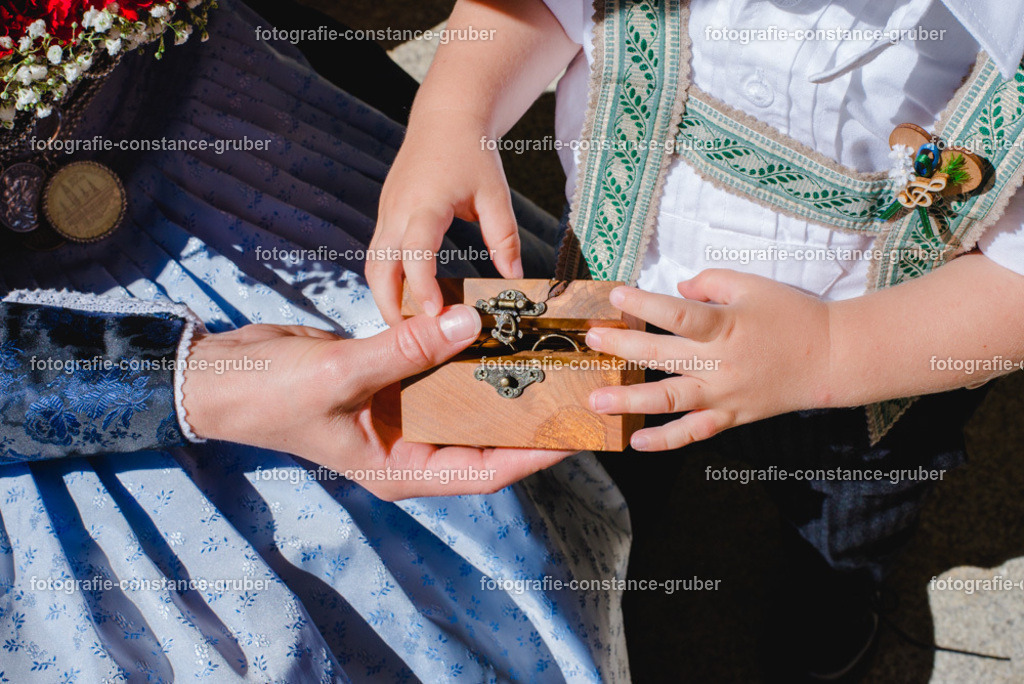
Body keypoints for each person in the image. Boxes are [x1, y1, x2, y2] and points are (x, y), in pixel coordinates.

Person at [368, 0, 1024, 679]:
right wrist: (452, 120)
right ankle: (601, 545)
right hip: (616, 277)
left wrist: (829, 349)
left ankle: (833, 586)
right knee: (594, 456)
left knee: (850, 508)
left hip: (873, 358)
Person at [0, 0, 631, 680]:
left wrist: (455, 114)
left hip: (230, 131)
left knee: (545, 386)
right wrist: (190, 381)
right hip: (41, 385)